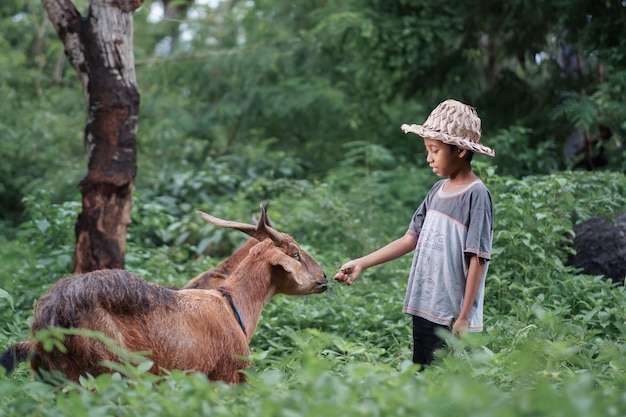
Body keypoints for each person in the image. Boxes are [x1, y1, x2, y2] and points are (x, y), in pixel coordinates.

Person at [334, 99, 495, 368]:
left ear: (460, 152)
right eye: (427, 150)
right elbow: (410, 238)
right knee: (422, 377)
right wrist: (362, 262)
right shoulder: (437, 191)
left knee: (447, 386)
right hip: (424, 305)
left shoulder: (476, 195)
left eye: (435, 150)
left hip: (451, 315)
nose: (428, 158)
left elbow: (478, 258)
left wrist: (464, 315)